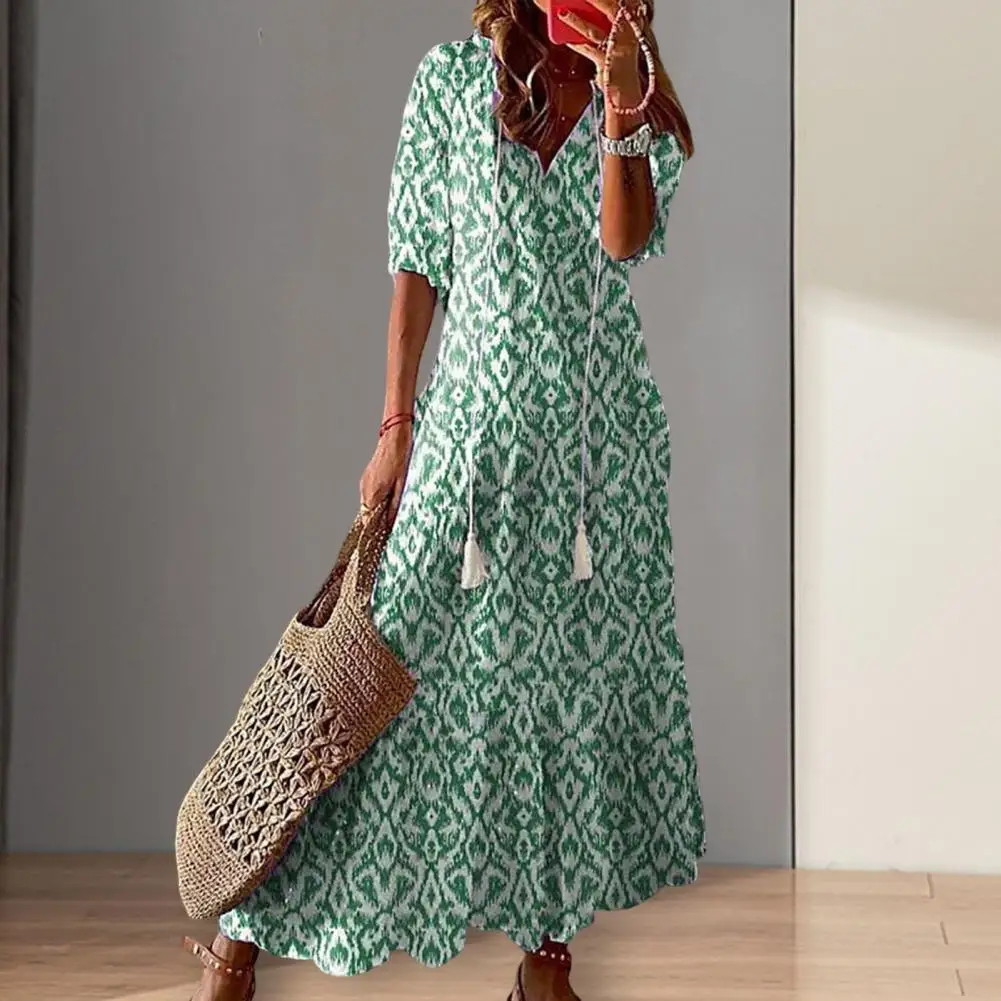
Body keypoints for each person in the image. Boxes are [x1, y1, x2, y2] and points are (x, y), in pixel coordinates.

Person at [184, 1, 704, 999]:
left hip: (595, 460)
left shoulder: (640, 97)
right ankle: (241, 933)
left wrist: (619, 105)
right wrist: (395, 425)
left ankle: (544, 958)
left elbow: (622, 241)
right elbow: (416, 265)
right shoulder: (450, 82)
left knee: (560, 698)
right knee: (368, 687)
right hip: (469, 441)